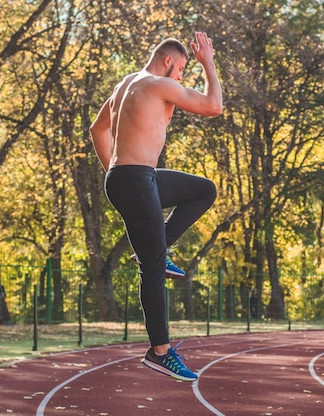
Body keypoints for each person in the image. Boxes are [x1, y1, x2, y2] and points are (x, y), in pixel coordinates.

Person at [89, 32, 222, 382]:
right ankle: (159, 352)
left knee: (203, 190)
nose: (180, 78)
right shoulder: (160, 83)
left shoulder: (124, 85)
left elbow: (96, 129)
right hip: (135, 179)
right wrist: (207, 61)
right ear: (168, 61)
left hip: (130, 178)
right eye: (181, 70)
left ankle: (158, 249)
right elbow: (214, 106)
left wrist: (114, 174)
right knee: (152, 268)